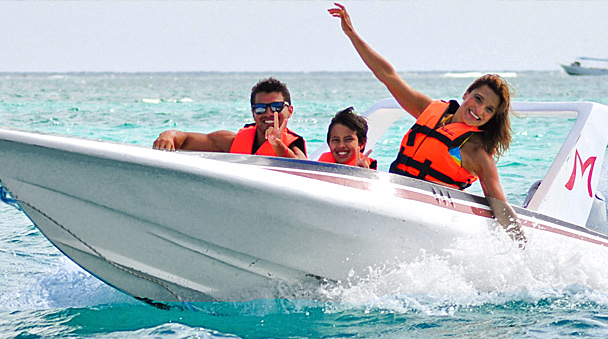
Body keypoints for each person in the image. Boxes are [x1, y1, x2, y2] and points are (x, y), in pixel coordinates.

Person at [329, 3, 526, 245]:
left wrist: (523, 247)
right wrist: (352, 34)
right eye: (478, 99)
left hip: (424, 224)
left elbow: (500, 206)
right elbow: (388, 76)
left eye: (489, 110)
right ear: (466, 94)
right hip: (391, 202)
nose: (479, 111)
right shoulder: (431, 111)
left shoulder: (475, 151)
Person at [153, 77, 307, 159]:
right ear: (253, 113)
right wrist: (168, 136)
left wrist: (277, 145)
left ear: (290, 111)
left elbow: (304, 172)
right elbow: (184, 140)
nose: (268, 113)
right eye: (260, 108)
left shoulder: (293, 147)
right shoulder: (231, 142)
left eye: (276, 107)